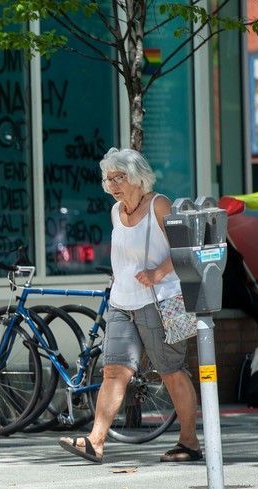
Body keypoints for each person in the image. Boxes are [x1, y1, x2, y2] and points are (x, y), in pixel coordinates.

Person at [59, 148, 202, 464]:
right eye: (108, 179)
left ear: (138, 177)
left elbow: (186, 249)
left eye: (119, 177)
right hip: (122, 302)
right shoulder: (115, 211)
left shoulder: (158, 205)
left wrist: (158, 272)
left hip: (161, 302)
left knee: (171, 372)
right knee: (113, 371)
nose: (112, 184)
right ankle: (95, 441)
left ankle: (189, 442)